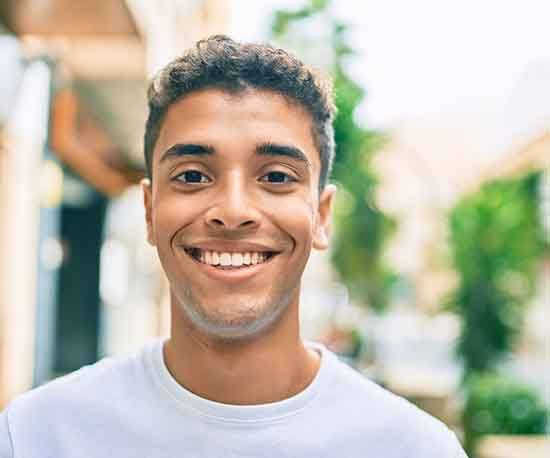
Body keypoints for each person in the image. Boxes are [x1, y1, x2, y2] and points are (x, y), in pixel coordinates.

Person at [0, 35, 468, 457]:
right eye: (192, 176)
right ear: (148, 209)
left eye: (277, 177)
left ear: (321, 216)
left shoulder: (413, 448)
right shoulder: (39, 436)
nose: (233, 209)